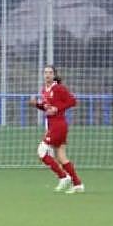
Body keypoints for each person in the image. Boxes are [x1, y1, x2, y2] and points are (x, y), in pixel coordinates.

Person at [29, 65, 84, 193]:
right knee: (61, 157)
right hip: (53, 125)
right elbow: (47, 107)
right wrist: (36, 105)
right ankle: (78, 184)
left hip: (59, 125)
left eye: (50, 72)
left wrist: (57, 109)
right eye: (45, 72)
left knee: (41, 151)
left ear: (54, 75)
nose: (47, 75)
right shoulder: (45, 90)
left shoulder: (58, 88)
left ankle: (63, 176)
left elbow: (72, 101)